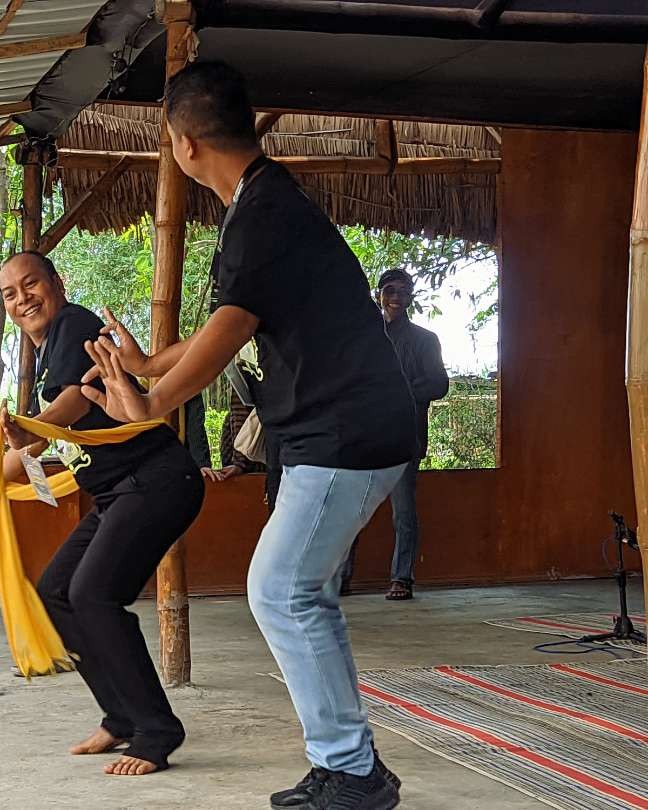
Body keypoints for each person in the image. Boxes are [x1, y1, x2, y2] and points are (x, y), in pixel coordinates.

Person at [80, 62, 415, 809]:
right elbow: (234, 318)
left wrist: (153, 397)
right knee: (299, 593)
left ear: (183, 144)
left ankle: (353, 772)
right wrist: (147, 364)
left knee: (280, 589)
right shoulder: (263, 203)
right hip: (342, 429)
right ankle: (349, 765)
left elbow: (229, 331)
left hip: (347, 431)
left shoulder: (262, 216)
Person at [0, 251, 204, 777]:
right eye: (11, 294)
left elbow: (73, 404)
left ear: (56, 283)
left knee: (93, 595)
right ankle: (121, 718)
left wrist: (31, 425)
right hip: (117, 493)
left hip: (155, 480)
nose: (23, 300)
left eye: (31, 284)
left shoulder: (75, 325)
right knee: (58, 594)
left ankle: (156, 730)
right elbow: (42, 439)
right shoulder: (47, 355)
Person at [340, 269, 449, 600]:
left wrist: (399, 392)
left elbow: (439, 384)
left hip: (405, 438)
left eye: (403, 291)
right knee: (353, 509)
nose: (396, 297)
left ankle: (402, 578)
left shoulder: (424, 340)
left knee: (403, 511)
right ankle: (341, 578)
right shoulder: (364, 340)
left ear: (412, 297)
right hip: (365, 437)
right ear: (379, 295)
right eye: (390, 291)